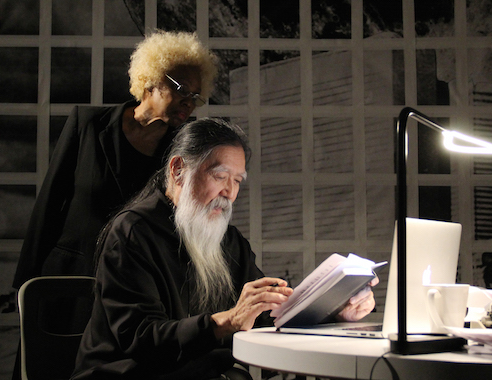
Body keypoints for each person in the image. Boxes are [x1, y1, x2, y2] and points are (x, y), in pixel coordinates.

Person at [71, 118, 378, 380]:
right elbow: (142, 339)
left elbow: (265, 314)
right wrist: (227, 321)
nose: (229, 193)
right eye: (219, 176)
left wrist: (335, 310)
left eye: (237, 181)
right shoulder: (131, 233)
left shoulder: (228, 240)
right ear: (178, 169)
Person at [11, 30, 218, 380]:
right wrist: (23, 287)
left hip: (133, 291)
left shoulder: (185, 149)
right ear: (150, 81)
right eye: (182, 89)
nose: (189, 103)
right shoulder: (87, 124)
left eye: (196, 96)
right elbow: (49, 204)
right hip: (67, 282)